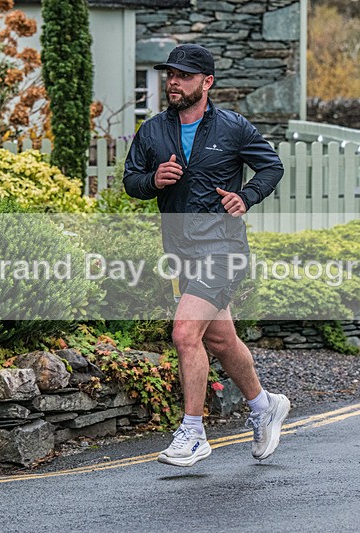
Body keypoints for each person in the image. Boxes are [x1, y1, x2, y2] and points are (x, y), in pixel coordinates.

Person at [123, 43, 290, 467]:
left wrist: (246, 196)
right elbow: (131, 180)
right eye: (170, 75)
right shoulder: (152, 131)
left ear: (207, 82)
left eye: (184, 76)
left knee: (184, 333)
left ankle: (194, 432)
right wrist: (153, 180)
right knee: (219, 338)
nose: (173, 82)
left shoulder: (233, 128)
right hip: (181, 251)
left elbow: (271, 166)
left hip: (223, 248)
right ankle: (264, 405)